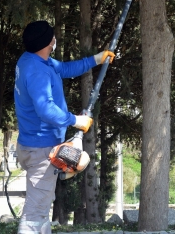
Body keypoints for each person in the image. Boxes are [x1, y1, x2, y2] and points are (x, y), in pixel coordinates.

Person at [14, 20, 114, 234]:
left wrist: (97, 59)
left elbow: (66, 68)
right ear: (48, 42)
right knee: (34, 213)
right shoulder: (37, 71)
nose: (54, 39)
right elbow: (45, 109)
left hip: (34, 144)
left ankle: (59, 174)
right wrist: (75, 121)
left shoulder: (34, 60)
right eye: (52, 37)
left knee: (41, 208)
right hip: (41, 150)